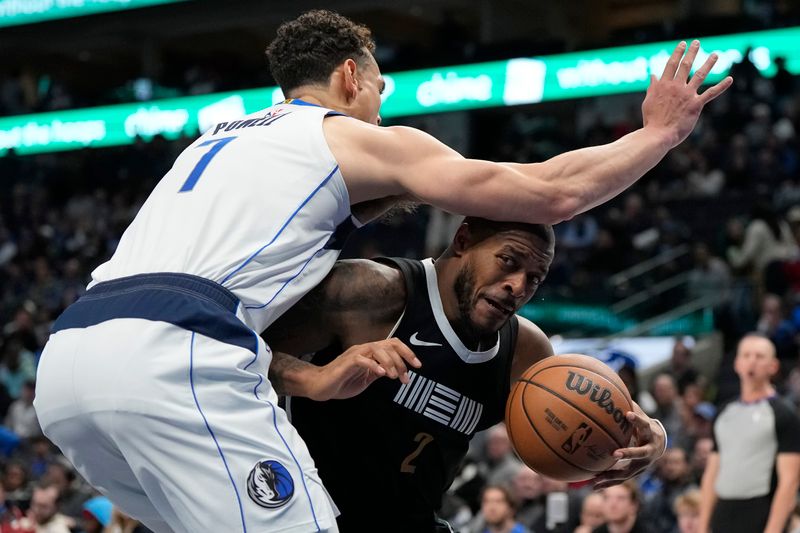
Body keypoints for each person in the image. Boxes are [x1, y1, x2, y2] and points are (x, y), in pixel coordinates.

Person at [33, 8, 729, 533]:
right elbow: (551, 191)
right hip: (176, 353)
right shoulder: (344, 137)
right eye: (379, 91)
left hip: (69, 364)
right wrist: (658, 134)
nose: (382, 110)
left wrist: (305, 376)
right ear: (349, 77)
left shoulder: (215, 144)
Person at [265, 217, 667, 532]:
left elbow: (599, 409)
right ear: (462, 240)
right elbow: (223, 353)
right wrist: (315, 380)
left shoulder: (526, 350)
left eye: (534, 279)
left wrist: (650, 439)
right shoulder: (372, 292)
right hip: (305, 512)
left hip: (413, 522)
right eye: (509, 262)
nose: (518, 287)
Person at [699, 334, 800, 533]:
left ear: (773, 366)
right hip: (724, 513)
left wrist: (773, 530)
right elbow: (712, 473)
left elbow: (790, 481)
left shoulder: (784, 414)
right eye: (746, 355)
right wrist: (702, 526)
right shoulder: (723, 412)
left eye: (759, 356)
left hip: (761, 511)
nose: (751, 361)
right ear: (737, 363)